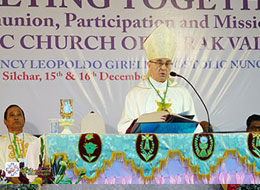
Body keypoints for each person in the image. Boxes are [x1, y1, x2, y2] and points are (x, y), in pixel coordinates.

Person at [117, 24, 203, 134]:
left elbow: (196, 127)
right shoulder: (135, 94)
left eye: (167, 63)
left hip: (176, 148)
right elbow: (124, 127)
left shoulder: (182, 92)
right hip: (147, 148)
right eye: (159, 62)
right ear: (149, 65)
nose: (163, 67)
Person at [0, 104, 38, 183]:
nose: (16, 118)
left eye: (19, 115)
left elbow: (40, 165)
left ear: (24, 119)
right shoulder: (1, 142)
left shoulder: (35, 141)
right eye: (12, 115)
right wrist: (11, 177)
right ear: (5, 122)